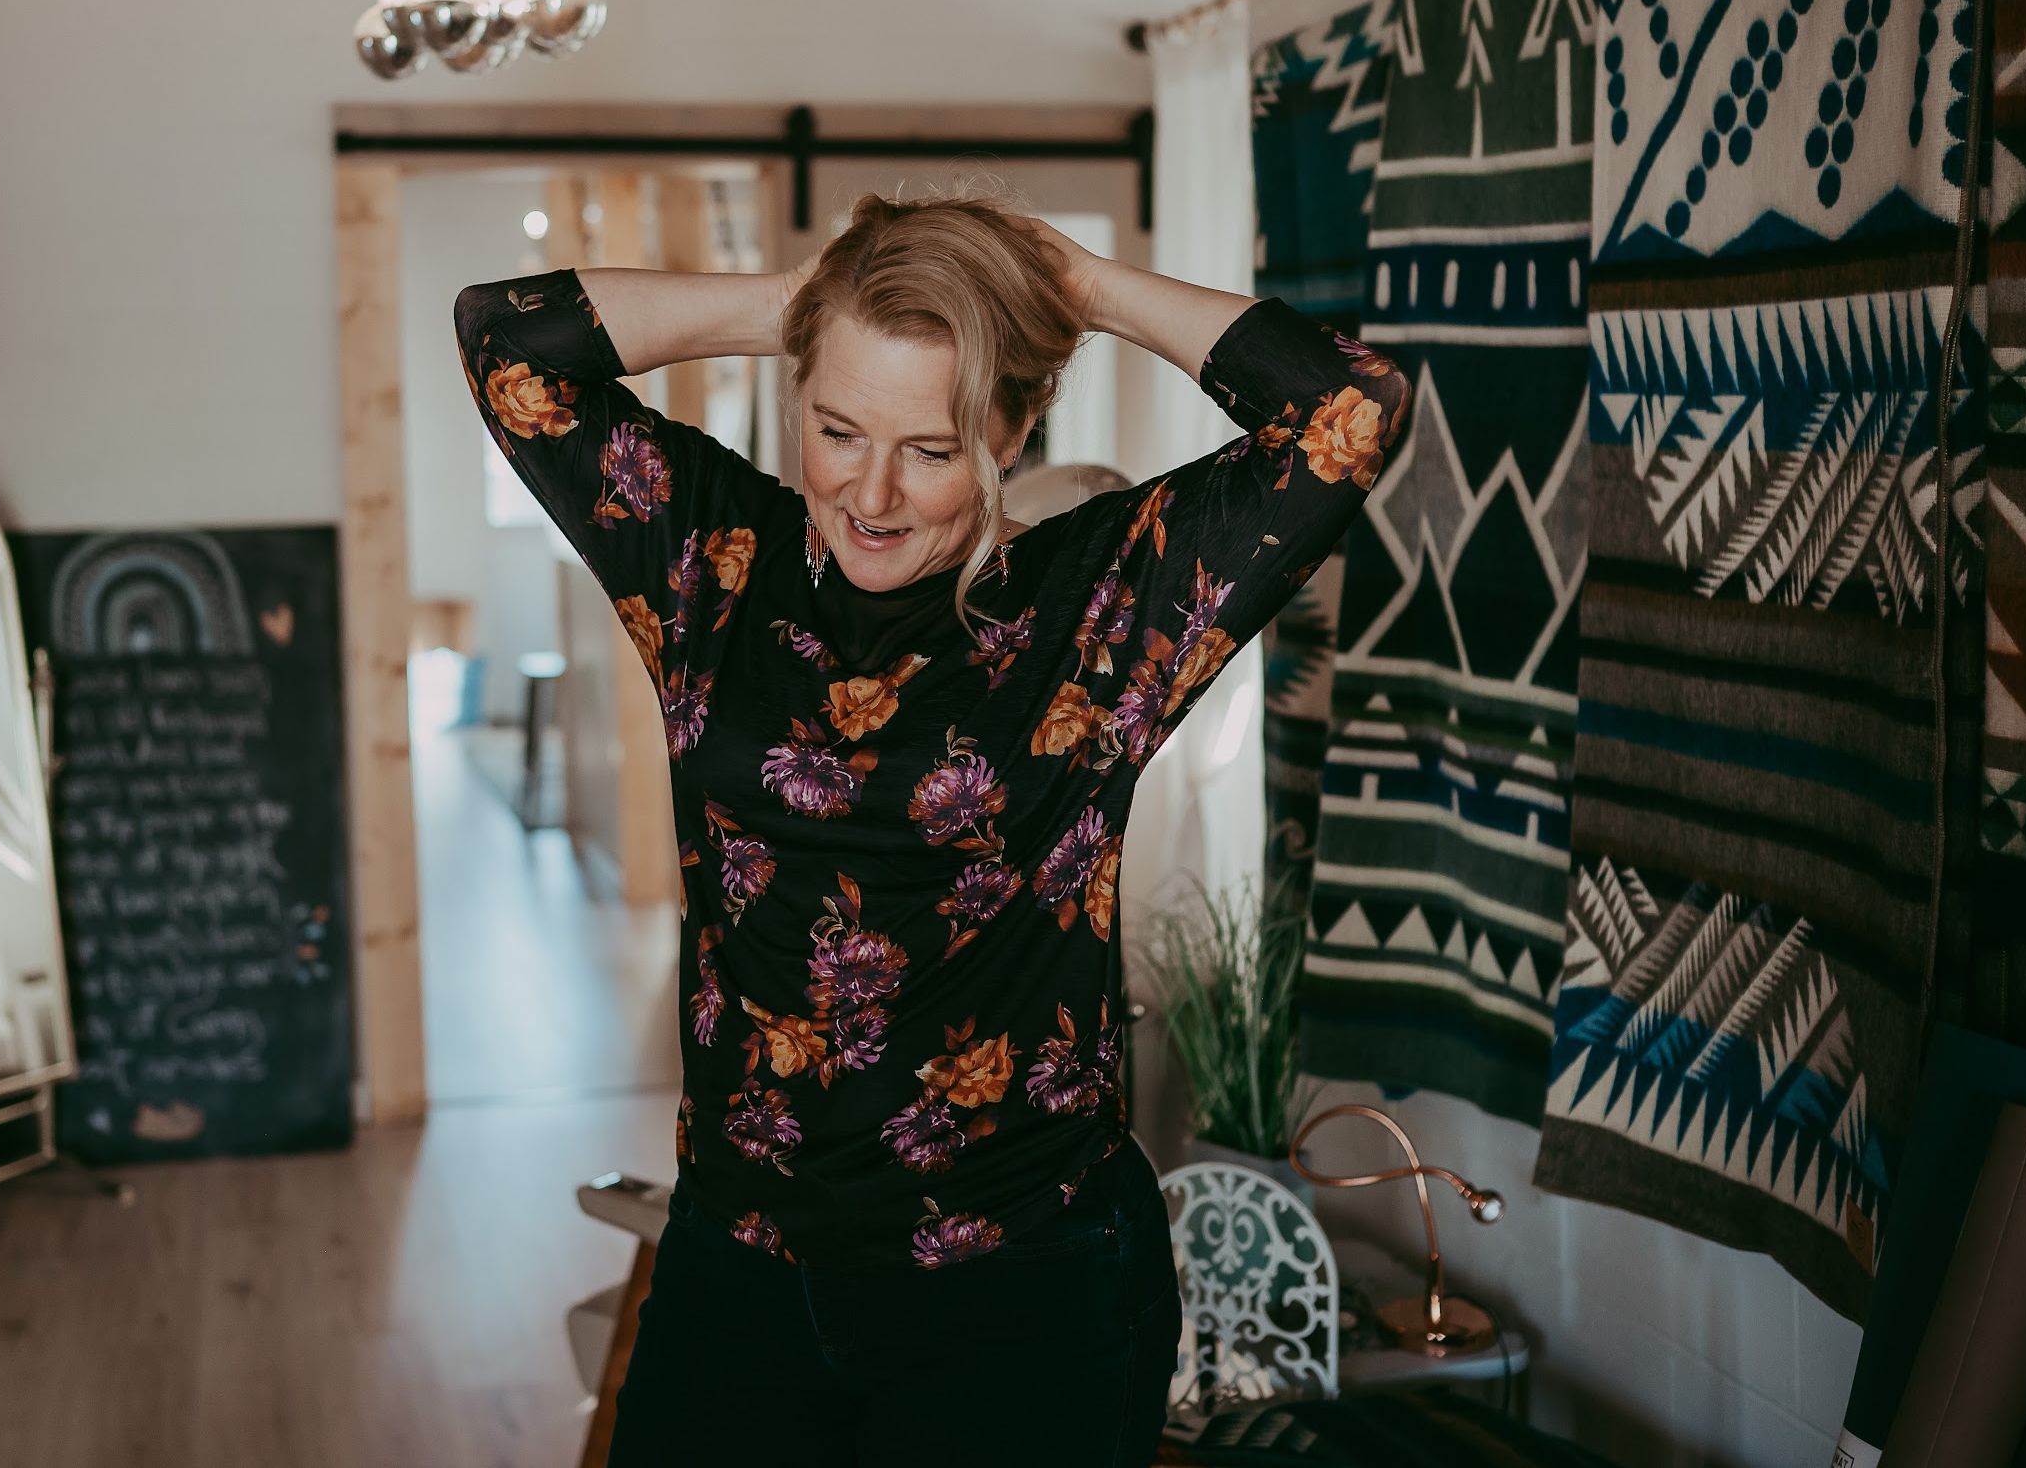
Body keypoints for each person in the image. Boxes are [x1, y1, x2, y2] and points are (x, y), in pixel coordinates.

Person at [456, 193, 1409, 1465]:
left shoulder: (1103, 603)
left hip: (1023, 1288)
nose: (871, 492)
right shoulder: (708, 560)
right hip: (740, 1262)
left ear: (1012, 430)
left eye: (933, 446)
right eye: (837, 428)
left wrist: (1077, 286)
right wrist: (804, 307)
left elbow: (1350, 408)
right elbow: (506, 339)